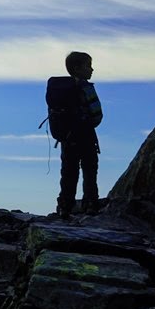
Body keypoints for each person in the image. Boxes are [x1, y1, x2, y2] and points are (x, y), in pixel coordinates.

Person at [57, 51, 102, 219]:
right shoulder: (86, 87)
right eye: (88, 66)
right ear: (77, 68)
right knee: (90, 170)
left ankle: (65, 207)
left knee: (68, 172)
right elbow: (97, 113)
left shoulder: (61, 90)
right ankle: (90, 204)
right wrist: (90, 123)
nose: (92, 69)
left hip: (67, 138)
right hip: (86, 136)